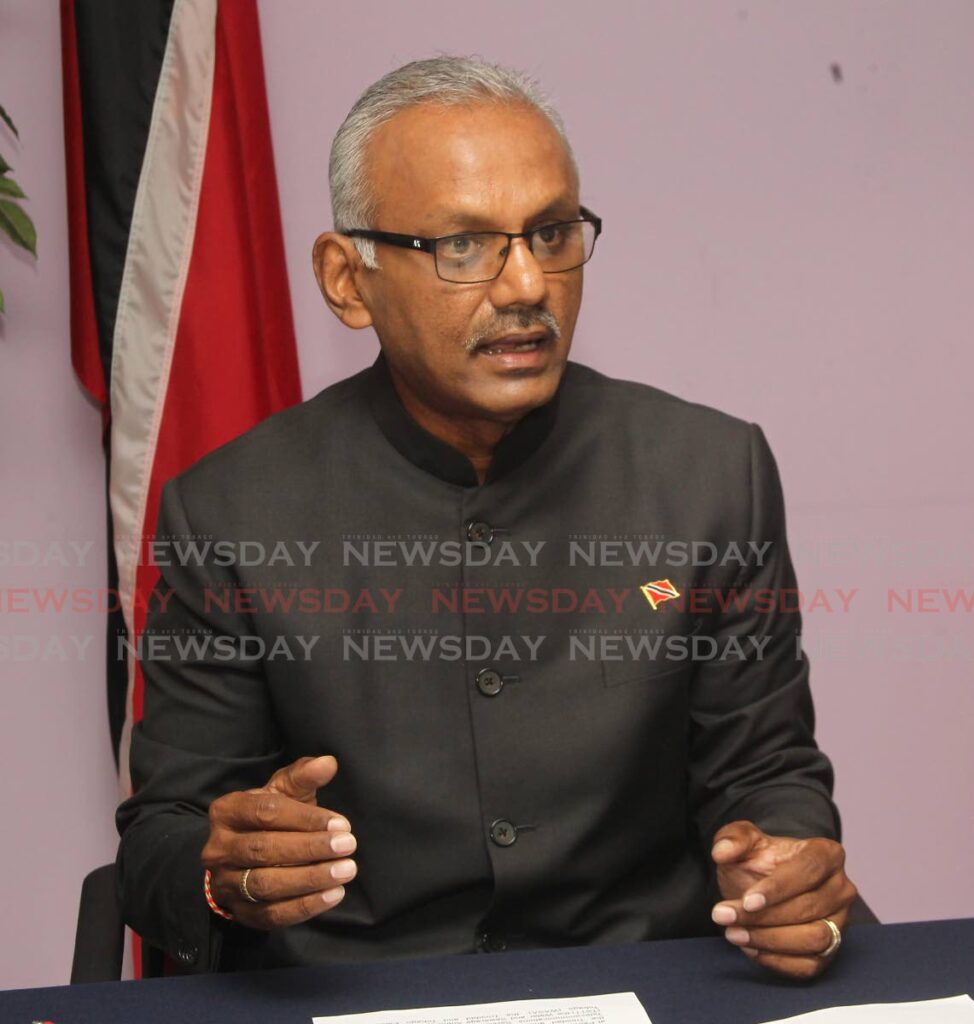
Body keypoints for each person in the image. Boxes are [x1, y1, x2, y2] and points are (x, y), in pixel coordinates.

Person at [116, 55, 858, 981]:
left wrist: (789, 869)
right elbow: (164, 838)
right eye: (463, 246)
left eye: (550, 233)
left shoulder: (710, 474)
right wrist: (228, 876)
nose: (526, 286)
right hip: (354, 995)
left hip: (650, 984)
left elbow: (765, 770)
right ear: (350, 279)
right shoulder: (230, 511)